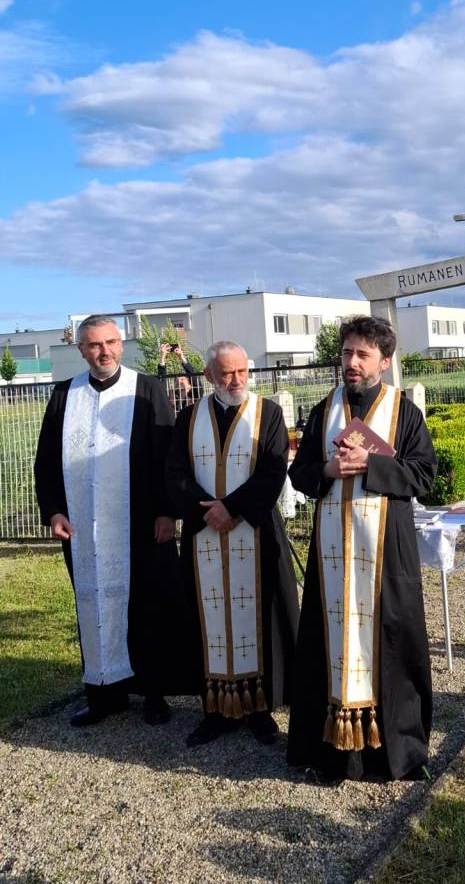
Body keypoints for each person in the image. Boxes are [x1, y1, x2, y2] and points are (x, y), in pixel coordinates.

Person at [287, 315, 437, 781]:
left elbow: (424, 476)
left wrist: (371, 464)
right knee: (326, 647)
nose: (352, 362)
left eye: (363, 355)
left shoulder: (403, 412)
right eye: (347, 352)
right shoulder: (323, 410)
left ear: (385, 362)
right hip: (332, 555)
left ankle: (399, 754)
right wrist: (326, 471)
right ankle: (329, 755)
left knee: (394, 642)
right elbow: (300, 473)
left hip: (386, 554)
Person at [34, 315, 190, 727]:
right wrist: (53, 510)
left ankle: (154, 693)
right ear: (81, 350)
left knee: (148, 606)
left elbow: (167, 456)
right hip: (82, 527)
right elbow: (46, 460)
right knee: (93, 605)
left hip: (141, 522)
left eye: (110, 342)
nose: (103, 351)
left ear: (120, 344)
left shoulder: (147, 388)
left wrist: (167, 511)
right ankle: (104, 696)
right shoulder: (64, 395)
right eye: (94, 344)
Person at [166, 340, 299, 747]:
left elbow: (273, 469)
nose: (236, 380)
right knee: (206, 621)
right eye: (226, 373)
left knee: (260, 615)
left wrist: (234, 509)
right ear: (209, 375)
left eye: (242, 371)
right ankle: (215, 711)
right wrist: (208, 511)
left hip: (256, 533)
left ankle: (260, 708)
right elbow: (175, 473)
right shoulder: (189, 417)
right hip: (203, 534)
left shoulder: (268, 413)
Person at [157, 341, 199, 409]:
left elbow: (193, 376)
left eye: (182, 379)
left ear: (189, 386)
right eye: (176, 381)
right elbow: (161, 384)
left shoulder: (195, 396)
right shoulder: (170, 401)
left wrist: (181, 357)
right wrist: (162, 358)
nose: (179, 381)